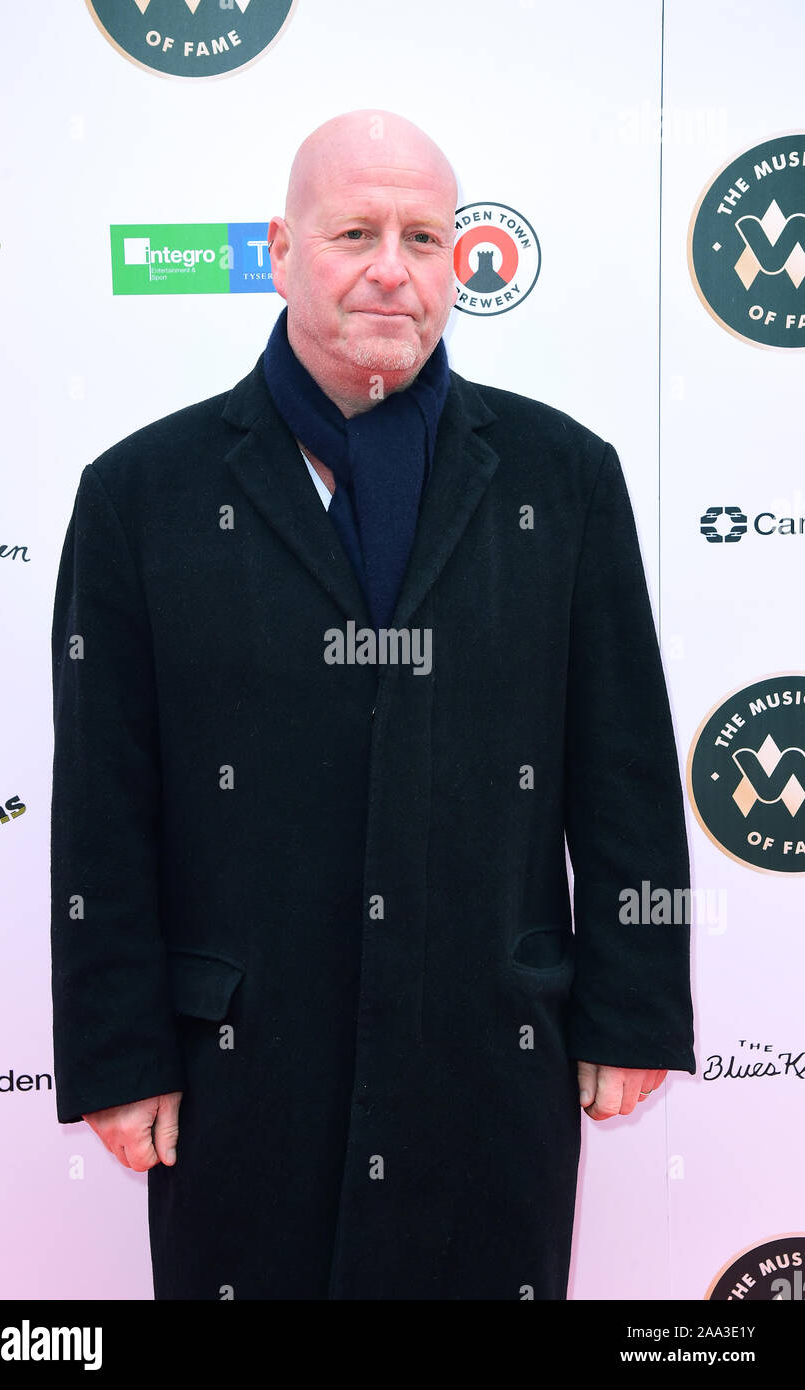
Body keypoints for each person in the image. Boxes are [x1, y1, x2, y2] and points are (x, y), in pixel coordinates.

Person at [50, 110, 695, 1301]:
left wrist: (636, 1003)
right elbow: (104, 797)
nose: (391, 267)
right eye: (353, 232)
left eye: (424, 235)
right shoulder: (141, 492)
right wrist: (116, 1050)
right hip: (242, 1066)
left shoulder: (563, 476)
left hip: (487, 1047)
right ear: (281, 251)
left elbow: (622, 762)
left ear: (461, 262)